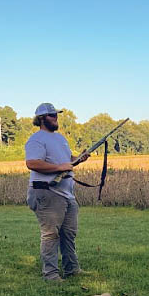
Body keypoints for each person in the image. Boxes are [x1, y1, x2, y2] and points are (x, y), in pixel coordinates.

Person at [25, 103, 88, 281]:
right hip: (47, 192)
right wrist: (59, 167)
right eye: (52, 115)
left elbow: (68, 160)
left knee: (69, 233)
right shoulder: (36, 139)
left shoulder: (60, 139)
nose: (56, 118)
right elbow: (33, 163)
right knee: (50, 234)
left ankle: (72, 269)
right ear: (42, 118)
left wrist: (79, 159)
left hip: (67, 193)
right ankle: (50, 274)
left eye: (56, 115)